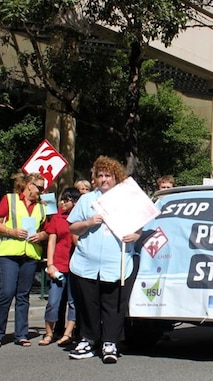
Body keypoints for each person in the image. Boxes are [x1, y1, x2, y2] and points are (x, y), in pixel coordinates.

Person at [67, 156, 141, 363]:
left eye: (108, 175)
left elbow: (140, 228)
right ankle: (88, 340)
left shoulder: (128, 200)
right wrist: (89, 222)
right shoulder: (87, 200)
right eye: (100, 176)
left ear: (116, 178)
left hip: (116, 263)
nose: (104, 179)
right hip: (87, 264)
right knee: (89, 304)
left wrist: (135, 236)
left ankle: (110, 342)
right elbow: (72, 226)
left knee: (113, 304)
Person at [0, 173, 49, 348]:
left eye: (43, 189)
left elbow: (48, 229)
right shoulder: (10, 199)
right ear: (29, 185)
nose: (41, 191)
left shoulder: (43, 206)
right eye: (39, 187)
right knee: (6, 292)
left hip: (30, 254)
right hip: (9, 253)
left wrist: (41, 235)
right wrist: (11, 231)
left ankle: (21, 334)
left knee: (23, 296)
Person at [40, 187, 81, 347]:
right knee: (53, 301)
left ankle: (67, 333)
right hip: (58, 265)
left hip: (75, 266)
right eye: (62, 199)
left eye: (67, 200)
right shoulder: (57, 218)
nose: (62, 202)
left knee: (73, 301)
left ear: (75, 202)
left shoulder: (79, 219)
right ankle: (49, 333)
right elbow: (51, 241)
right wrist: (50, 264)